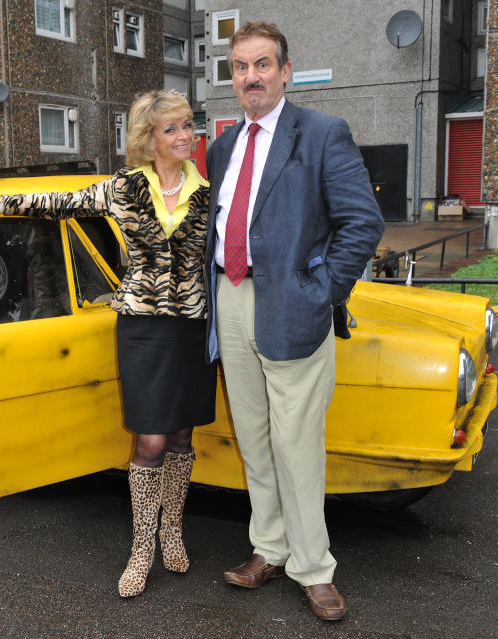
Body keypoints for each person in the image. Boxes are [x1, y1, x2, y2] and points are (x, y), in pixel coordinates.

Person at [0, 89, 217, 598]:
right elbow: (56, 202)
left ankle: (173, 533)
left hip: (191, 327)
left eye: (188, 126)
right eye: (173, 129)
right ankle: (141, 548)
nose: (186, 136)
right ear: (149, 138)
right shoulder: (122, 188)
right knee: (150, 440)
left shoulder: (208, 192)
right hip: (142, 327)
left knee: (183, 437)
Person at [204, 22, 384, 621]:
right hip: (231, 299)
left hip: (294, 306)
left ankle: (314, 568)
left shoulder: (323, 133)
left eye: (262, 64)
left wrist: (322, 291)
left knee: (296, 444)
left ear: (285, 71)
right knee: (254, 439)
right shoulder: (224, 145)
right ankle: (270, 548)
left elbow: (363, 222)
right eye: (239, 66)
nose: (250, 76)